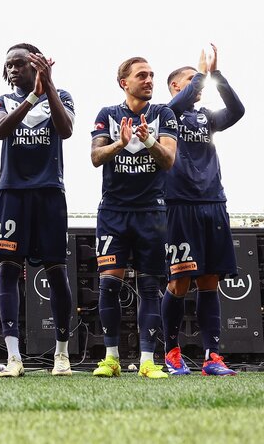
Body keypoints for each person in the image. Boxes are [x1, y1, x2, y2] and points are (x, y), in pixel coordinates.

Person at [0, 43, 75, 377]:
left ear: (36, 66)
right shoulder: (1, 101)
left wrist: (47, 87)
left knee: (56, 270)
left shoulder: (62, 95)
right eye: (8, 64)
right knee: (8, 270)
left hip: (49, 192)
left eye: (19, 64)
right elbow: (0, 130)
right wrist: (29, 98)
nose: (12, 69)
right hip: (12, 192)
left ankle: (62, 355)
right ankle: (13, 357)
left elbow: (66, 130)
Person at [90, 57, 177, 379]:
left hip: (152, 212)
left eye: (152, 75)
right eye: (142, 75)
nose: (150, 80)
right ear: (124, 82)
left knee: (150, 287)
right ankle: (111, 358)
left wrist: (149, 139)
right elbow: (96, 157)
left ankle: (146, 361)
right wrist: (120, 144)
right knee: (109, 284)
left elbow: (168, 160)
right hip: (114, 212)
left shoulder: (162, 114)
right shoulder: (108, 115)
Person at [161, 44, 244, 376]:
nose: (198, 85)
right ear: (177, 87)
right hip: (180, 205)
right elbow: (174, 106)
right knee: (180, 281)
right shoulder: (164, 113)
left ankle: (212, 357)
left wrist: (216, 76)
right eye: (191, 80)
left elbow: (237, 111)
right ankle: (171, 352)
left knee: (210, 280)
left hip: (213, 202)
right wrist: (200, 73)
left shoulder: (205, 117)